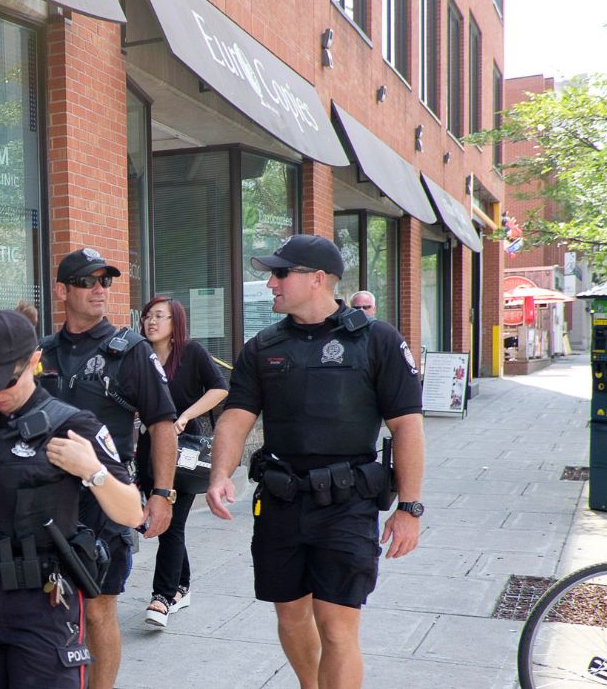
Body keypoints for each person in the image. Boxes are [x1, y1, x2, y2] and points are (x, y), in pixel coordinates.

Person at [205, 234, 425, 689]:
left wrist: (409, 507)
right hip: (281, 499)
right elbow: (235, 417)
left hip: (347, 502)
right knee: (289, 615)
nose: (271, 284)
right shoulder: (262, 346)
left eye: (281, 273)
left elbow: (407, 426)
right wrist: (220, 474)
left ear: (318, 279)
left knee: (336, 625)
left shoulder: (377, 339)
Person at [0, 308, 143, 689]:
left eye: (5, 380)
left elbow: (132, 512)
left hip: (46, 601)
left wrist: (93, 470)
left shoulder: (73, 425)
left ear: (34, 360)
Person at [36, 249, 176, 686]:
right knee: (44, 608)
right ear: (62, 291)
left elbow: (163, 424)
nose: (99, 290)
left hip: (104, 498)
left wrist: (162, 493)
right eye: (87, 281)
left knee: (98, 607)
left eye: (105, 281)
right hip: (44, 499)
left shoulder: (129, 351)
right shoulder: (39, 352)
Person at [137, 296, 228, 630]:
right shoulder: (141, 356)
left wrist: (185, 415)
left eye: (159, 316)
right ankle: (182, 585)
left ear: (175, 323)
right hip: (146, 448)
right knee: (159, 521)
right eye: (147, 316)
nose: (151, 321)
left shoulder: (191, 353)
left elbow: (220, 388)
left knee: (171, 523)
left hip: (183, 450)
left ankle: (162, 596)